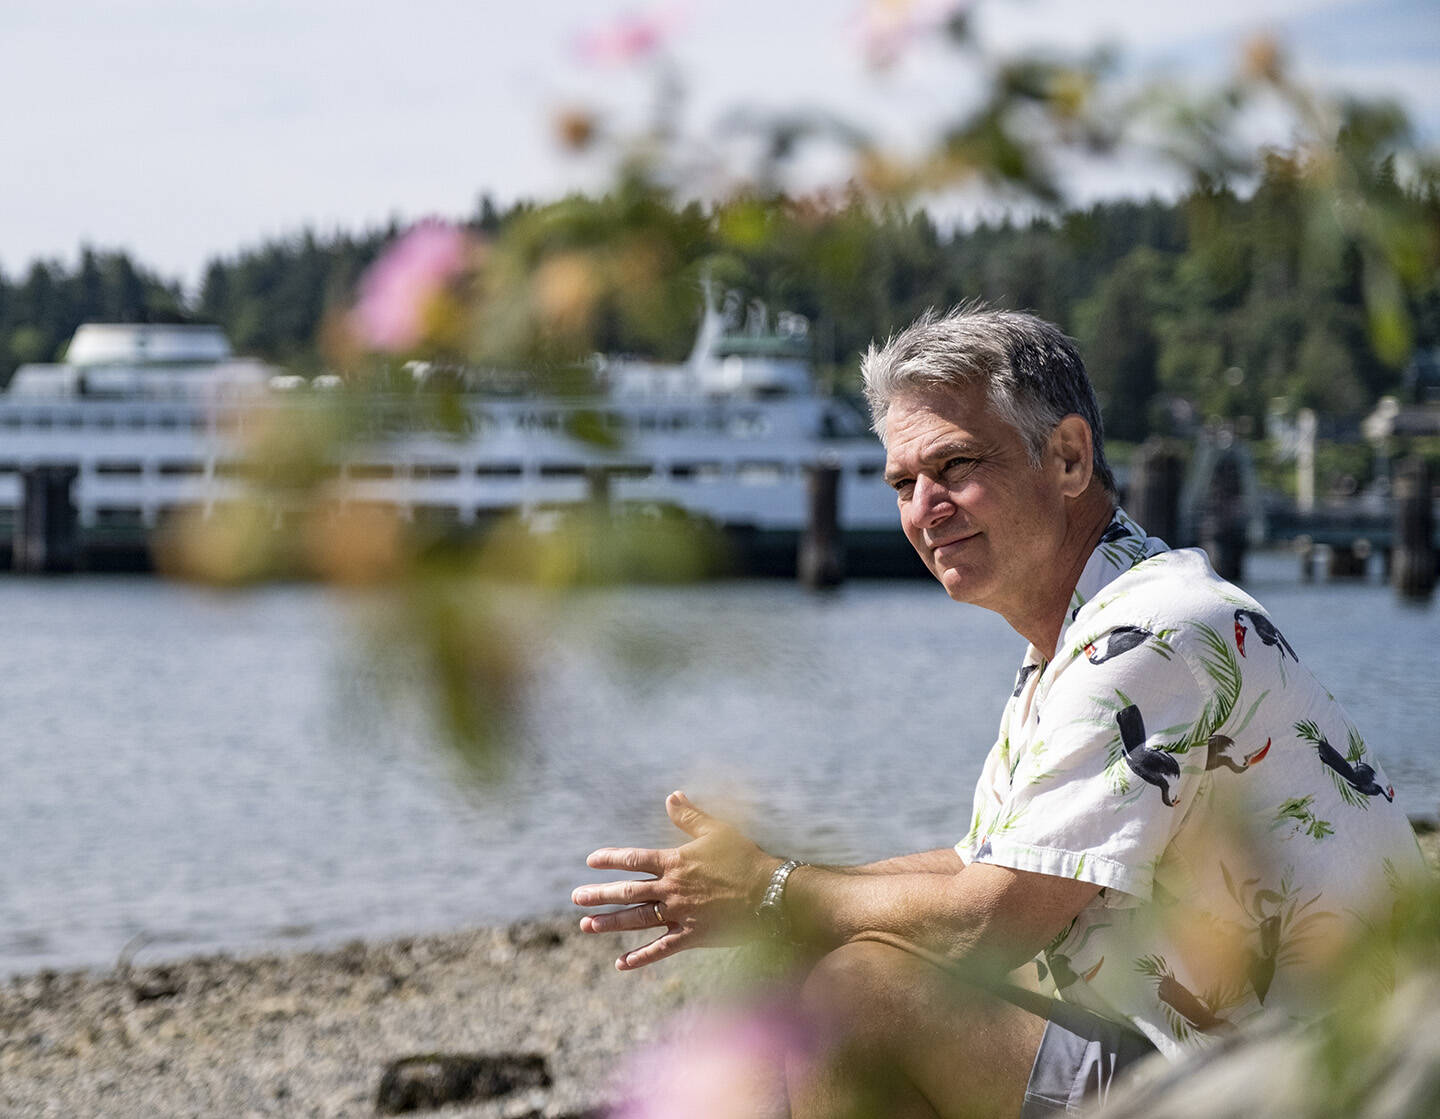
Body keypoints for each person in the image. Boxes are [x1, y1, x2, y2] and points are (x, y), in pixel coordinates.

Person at [572, 306, 1427, 1118]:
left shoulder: (1151, 633)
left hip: (1319, 1085)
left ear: (1067, 459)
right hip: (1231, 1055)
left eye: (954, 467)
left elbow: (992, 913)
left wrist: (777, 891)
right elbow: (989, 863)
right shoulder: (1082, 635)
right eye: (904, 481)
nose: (921, 510)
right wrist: (764, 884)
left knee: (857, 994)